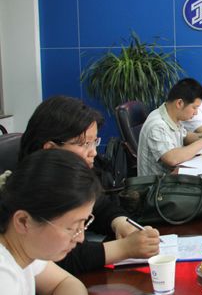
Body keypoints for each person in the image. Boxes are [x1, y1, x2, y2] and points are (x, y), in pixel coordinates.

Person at [19, 96, 160, 274]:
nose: (93, 152)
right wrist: (124, 248)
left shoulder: (72, 177)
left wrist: (120, 223)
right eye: (85, 144)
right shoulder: (30, 192)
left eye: (94, 142)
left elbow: (100, 205)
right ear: (51, 149)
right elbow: (57, 259)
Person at [0, 149, 107, 295]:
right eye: (71, 227)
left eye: (84, 223)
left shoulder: (24, 247)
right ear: (23, 221)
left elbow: (62, 283)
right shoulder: (4, 279)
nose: (80, 238)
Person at [137, 78, 202, 176]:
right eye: (194, 107)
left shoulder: (172, 115)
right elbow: (172, 158)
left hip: (173, 176)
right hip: (157, 184)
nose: (196, 113)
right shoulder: (157, 125)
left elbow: (184, 137)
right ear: (179, 103)